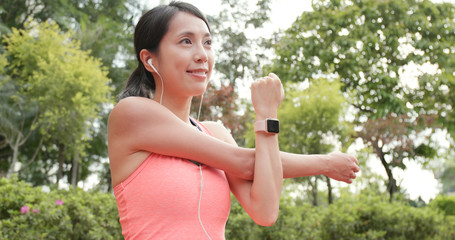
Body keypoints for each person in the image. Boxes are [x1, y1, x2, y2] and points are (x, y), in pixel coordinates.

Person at [108, 1, 360, 239]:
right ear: (149, 59)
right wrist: (325, 162)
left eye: (207, 42)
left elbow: (265, 210)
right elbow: (248, 164)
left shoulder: (215, 132)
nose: (202, 55)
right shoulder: (132, 113)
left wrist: (267, 116)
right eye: (186, 41)